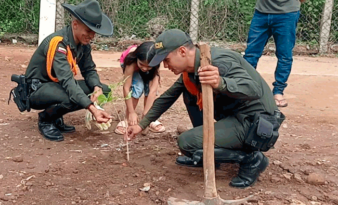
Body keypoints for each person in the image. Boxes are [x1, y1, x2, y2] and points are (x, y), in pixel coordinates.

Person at [125, 29, 285, 188]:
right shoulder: (192, 68)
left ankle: (251, 160)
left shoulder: (217, 61)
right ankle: (208, 153)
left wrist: (221, 82)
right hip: (234, 115)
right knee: (188, 92)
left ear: (182, 51)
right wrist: (142, 124)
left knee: (187, 142)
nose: (166, 66)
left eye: (166, 60)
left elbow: (254, 89)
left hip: (255, 122)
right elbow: (168, 97)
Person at [23, 0, 113, 141]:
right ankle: (46, 120)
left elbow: (89, 69)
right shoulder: (58, 43)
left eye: (94, 32)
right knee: (71, 96)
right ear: (75, 24)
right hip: (36, 90)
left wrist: (97, 87)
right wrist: (93, 108)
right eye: (88, 31)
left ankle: (56, 116)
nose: (91, 36)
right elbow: (68, 82)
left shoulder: (83, 44)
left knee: (105, 90)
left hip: (55, 87)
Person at [243, 0, 304, 107]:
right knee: (250, 54)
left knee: (284, 55)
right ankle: (245, 89)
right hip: (261, 12)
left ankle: (278, 92)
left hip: (287, 14)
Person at [115, 42, 165, 134]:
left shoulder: (155, 62)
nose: (145, 69)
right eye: (142, 64)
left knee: (149, 87)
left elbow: (153, 90)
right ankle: (127, 118)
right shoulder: (131, 61)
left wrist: (147, 115)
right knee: (137, 87)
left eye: (148, 66)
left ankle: (148, 119)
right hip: (131, 65)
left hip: (147, 65)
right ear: (137, 58)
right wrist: (131, 112)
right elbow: (126, 88)